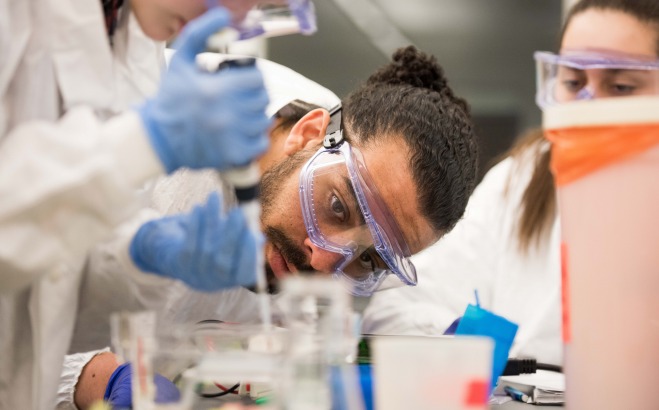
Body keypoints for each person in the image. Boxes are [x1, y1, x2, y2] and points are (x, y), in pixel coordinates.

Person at [59, 45, 480, 408]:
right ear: (307, 135)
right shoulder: (149, 112)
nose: (323, 258)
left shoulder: (317, 262)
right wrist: (99, 376)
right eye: (337, 207)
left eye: (367, 259)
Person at [0, 1, 295, 408]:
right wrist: (141, 144)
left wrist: (141, 254)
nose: (230, 20)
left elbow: (46, 297)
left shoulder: (136, 47)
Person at [361, 0, 659, 366]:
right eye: (572, 82)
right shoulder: (523, 180)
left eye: (621, 86)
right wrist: (467, 346)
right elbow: (398, 305)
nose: (588, 105)